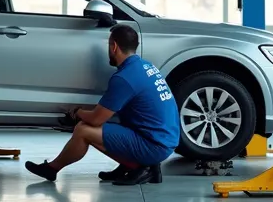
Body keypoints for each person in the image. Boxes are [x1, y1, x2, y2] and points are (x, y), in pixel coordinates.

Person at [25, 24, 179, 186]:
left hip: (154, 145)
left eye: (108, 45)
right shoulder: (147, 66)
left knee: (84, 130)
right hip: (165, 139)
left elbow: (96, 120)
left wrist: (77, 112)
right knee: (112, 120)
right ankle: (129, 166)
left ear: (114, 46)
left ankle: (140, 167)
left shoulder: (124, 78)